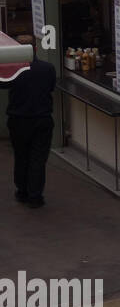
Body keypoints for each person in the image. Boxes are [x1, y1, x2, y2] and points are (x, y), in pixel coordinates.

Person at [1, 52, 57, 208]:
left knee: (21, 156)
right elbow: (51, 87)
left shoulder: (13, 70)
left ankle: (22, 191)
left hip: (18, 119)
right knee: (38, 158)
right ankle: (35, 195)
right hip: (42, 118)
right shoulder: (48, 68)